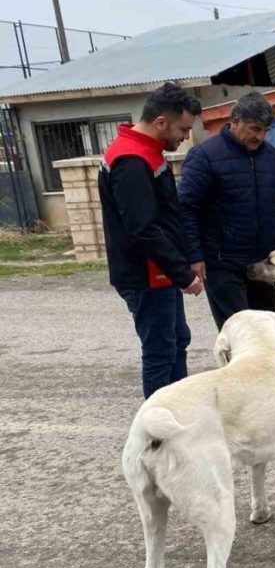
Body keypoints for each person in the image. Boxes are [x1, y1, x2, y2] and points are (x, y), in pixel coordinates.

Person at [99, 82, 204, 399]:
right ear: (160, 122)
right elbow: (143, 229)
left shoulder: (148, 152)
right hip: (146, 275)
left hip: (161, 273)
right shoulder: (131, 161)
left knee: (177, 341)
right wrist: (183, 274)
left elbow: (166, 217)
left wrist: (185, 260)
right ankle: (160, 428)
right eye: (182, 130)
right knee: (160, 351)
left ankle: (179, 408)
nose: (184, 138)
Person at [179, 91, 275, 329]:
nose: (259, 136)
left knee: (266, 330)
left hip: (261, 261)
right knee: (240, 332)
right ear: (235, 121)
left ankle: (265, 369)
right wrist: (195, 256)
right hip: (222, 264)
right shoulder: (204, 156)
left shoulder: (270, 156)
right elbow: (186, 207)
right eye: (254, 129)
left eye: (265, 131)